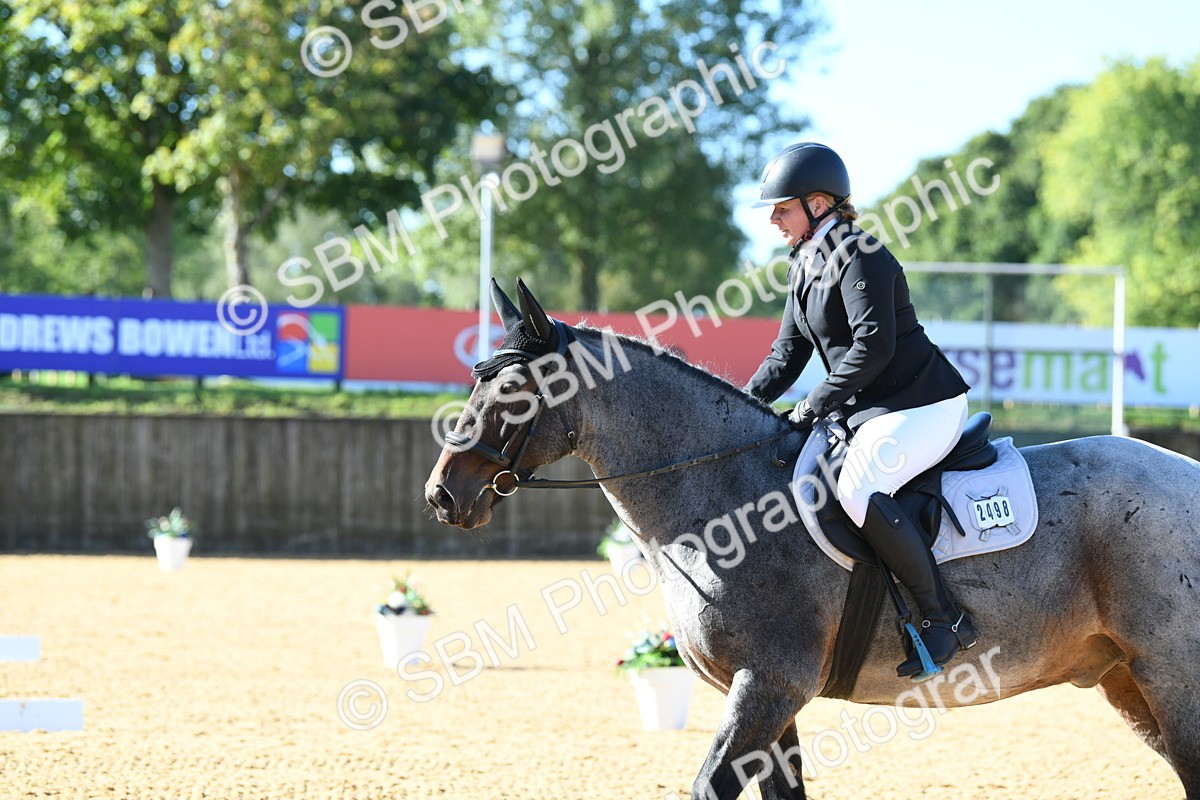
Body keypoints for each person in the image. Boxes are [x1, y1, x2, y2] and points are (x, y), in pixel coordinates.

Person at [744, 141, 975, 679]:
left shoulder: (859, 252)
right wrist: (735, 405)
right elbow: (786, 354)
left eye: (782, 208)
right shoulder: (804, 263)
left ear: (818, 204)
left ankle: (944, 618)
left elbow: (874, 347)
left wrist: (812, 404)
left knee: (857, 489)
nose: (773, 220)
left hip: (923, 404)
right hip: (869, 410)